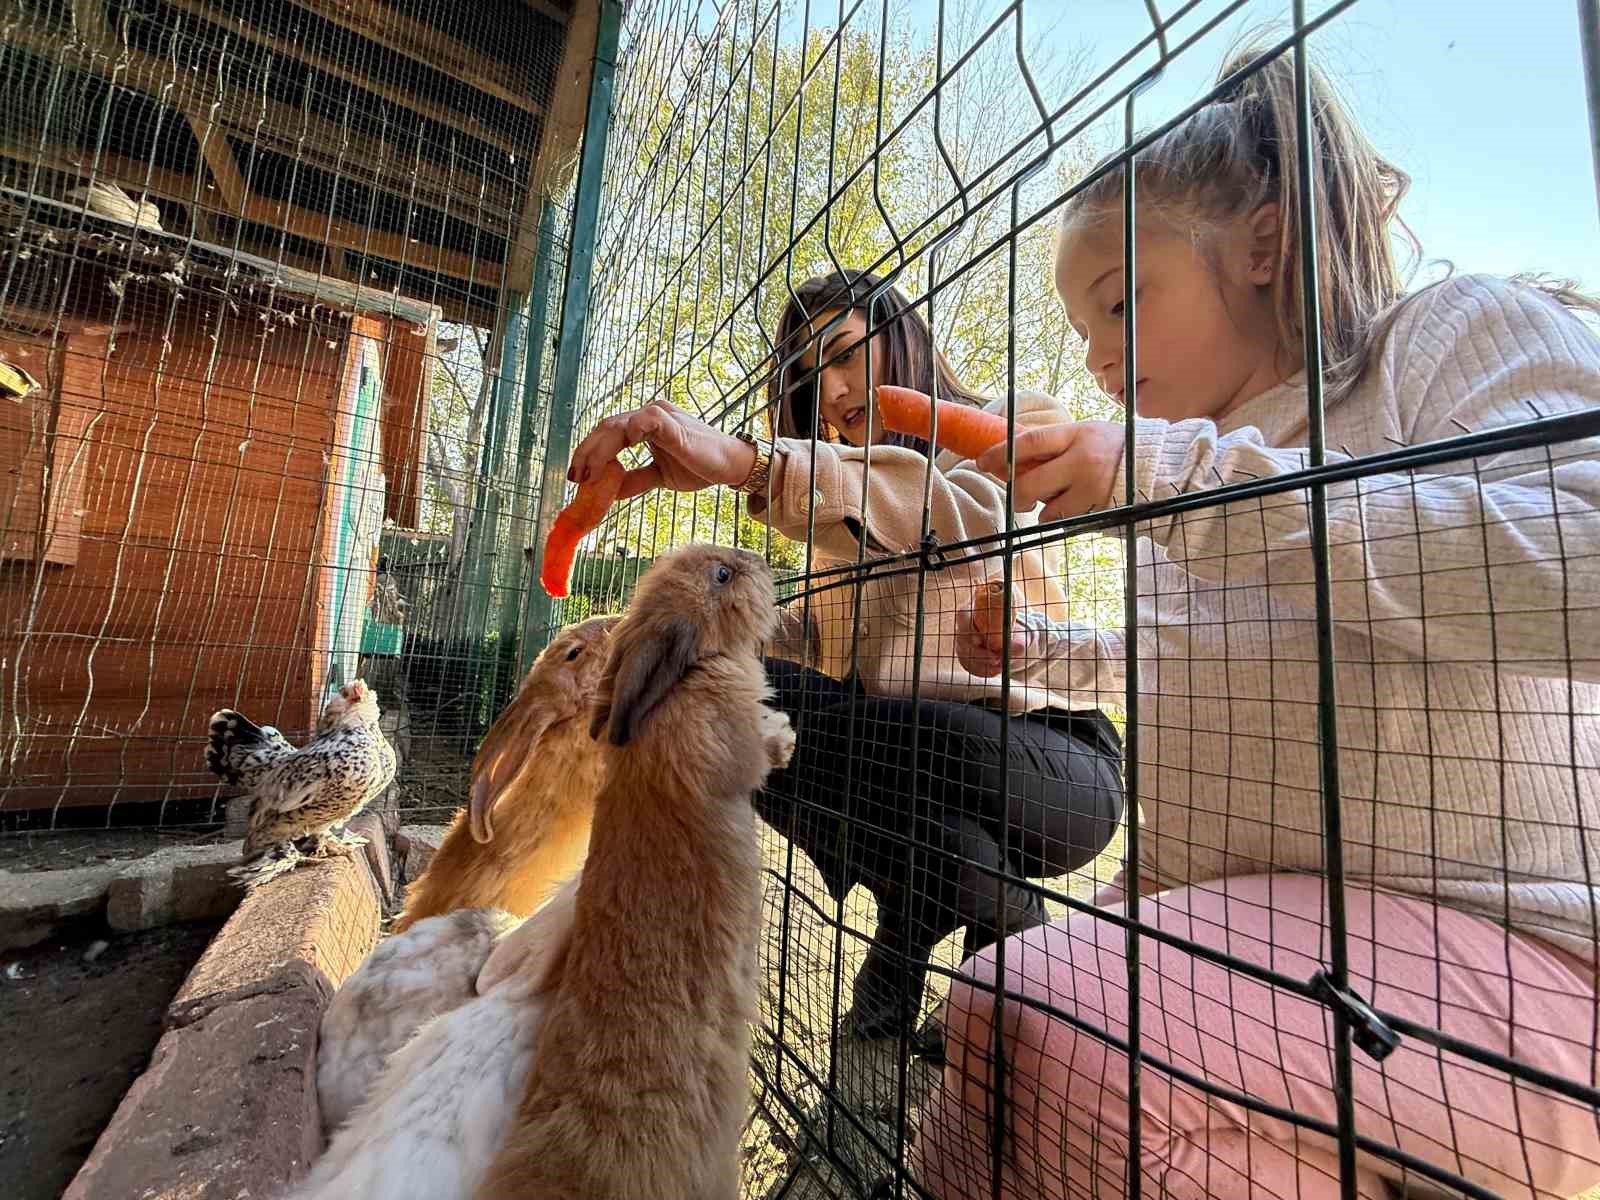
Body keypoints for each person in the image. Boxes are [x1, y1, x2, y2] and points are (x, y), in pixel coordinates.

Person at [910, 46, 1600, 1200]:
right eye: (1081, 328)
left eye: (1125, 301)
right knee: (995, 1015)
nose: (1096, 355)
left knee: (1076, 1040)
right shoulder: (1186, 491)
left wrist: (1185, 490)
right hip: (1292, 962)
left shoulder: (1438, 345)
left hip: (1527, 971)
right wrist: (1043, 653)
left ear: (1264, 249)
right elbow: (1201, 718)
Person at [564, 271, 1125, 1053]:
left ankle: (973, 936)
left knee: (934, 737)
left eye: (842, 355)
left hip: (1049, 764)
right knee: (735, 708)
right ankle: (970, 930)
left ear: (902, 340)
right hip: (915, 768)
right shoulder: (834, 520)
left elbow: (966, 521)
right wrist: (680, 630)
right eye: (804, 374)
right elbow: (823, 655)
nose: (827, 390)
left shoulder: (1009, 425)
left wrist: (752, 465)